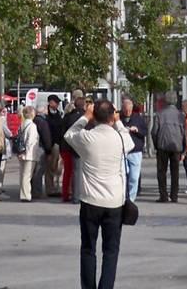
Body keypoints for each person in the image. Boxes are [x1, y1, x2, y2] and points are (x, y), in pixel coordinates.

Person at [63, 99, 130, 289]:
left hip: (91, 200)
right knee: (111, 251)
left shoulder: (87, 138)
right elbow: (130, 142)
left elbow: (69, 134)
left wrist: (85, 117)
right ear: (112, 116)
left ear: (94, 116)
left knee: (88, 248)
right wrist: (118, 122)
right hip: (114, 201)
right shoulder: (120, 138)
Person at [150, 96, 185, 203]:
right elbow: (184, 133)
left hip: (163, 146)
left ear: (166, 101)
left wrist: (156, 145)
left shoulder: (160, 114)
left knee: (161, 171)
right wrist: (183, 148)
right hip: (176, 146)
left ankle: (163, 195)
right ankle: (174, 195)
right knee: (175, 172)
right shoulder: (180, 115)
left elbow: (154, 132)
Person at [59, 94, 86, 203]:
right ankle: (78, 195)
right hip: (81, 147)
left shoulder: (68, 117)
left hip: (67, 147)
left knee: (69, 172)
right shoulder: (85, 117)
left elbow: (62, 132)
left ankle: (67, 194)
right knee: (79, 172)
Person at [119, 98, 146, 202]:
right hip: (122, 151)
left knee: (134, 177)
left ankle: (131, 199)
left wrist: (137, 130)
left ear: (132, 108)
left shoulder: (138, 118)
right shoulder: (119, 118)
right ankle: (123, 196)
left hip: (135, 151)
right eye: (125, 110)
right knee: (123, 175)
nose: (127, 112)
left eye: (129, 110)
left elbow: (144, 132)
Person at [15, 105, 42, 201]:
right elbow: (31, 141)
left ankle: (23, 193)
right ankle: (26, 195)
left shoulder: (22, 125)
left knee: (23, 174)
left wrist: (21, 152)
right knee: (27, 175)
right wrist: (26, 151)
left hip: (21, 152)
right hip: (29, 154)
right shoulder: (32, 126)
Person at [32, 99, 56, 199]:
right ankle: (36, 192)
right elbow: (46, 137)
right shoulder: (42, 121)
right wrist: (48, 150)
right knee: (39, 171)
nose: (47, 110)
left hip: (35, 147)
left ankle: (33, 190)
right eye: (46, 108)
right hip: (41, 148)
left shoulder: (34, 120)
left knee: (34, 170)